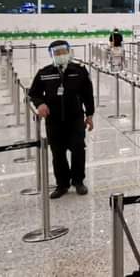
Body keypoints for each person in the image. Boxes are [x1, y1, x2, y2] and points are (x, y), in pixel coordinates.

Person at [28, 40, 94, 198]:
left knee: (78, 150)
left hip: (75, 118)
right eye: (56, 53)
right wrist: (40, 104)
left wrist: (89, 115)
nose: (60, 55)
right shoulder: (44, 73)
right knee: (58, 153)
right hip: (54, 121)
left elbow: (87, 94)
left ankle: (78, 181)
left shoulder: (79, 71)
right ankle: (62, 184)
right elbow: (34, 93)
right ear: (51, 55)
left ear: (69, 52)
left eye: (63, 52)